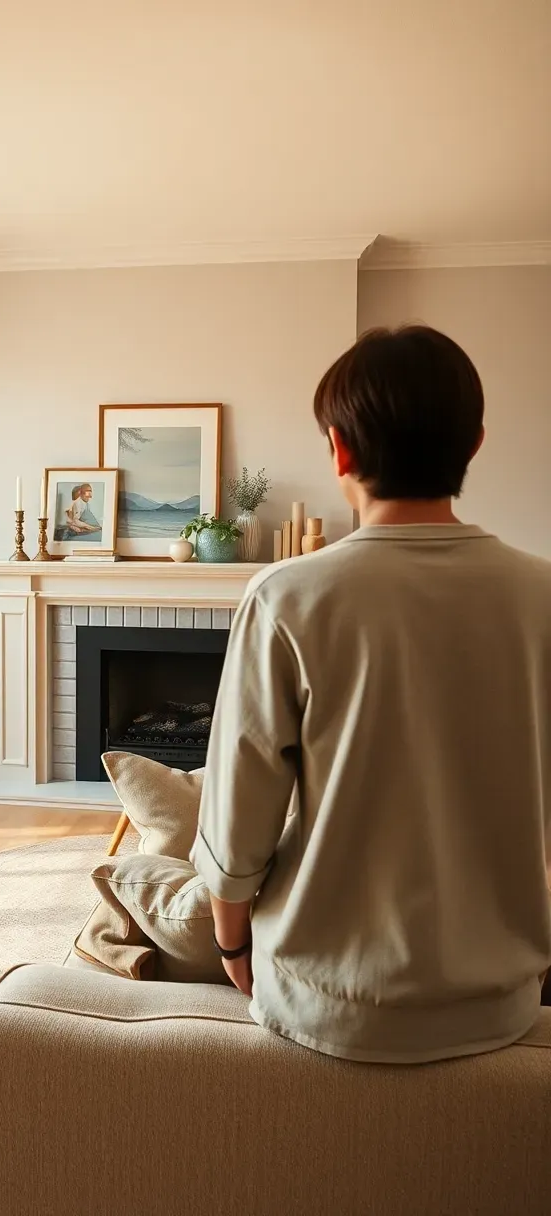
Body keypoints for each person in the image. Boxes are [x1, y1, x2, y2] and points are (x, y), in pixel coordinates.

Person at [191, 325, 551, 1063]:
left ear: (340, 451)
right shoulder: (541, 596)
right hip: (501, 1004)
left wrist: (231, 945)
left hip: (323, 1001)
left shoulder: (285, 598)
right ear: (474, 445)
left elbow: (238, 816)